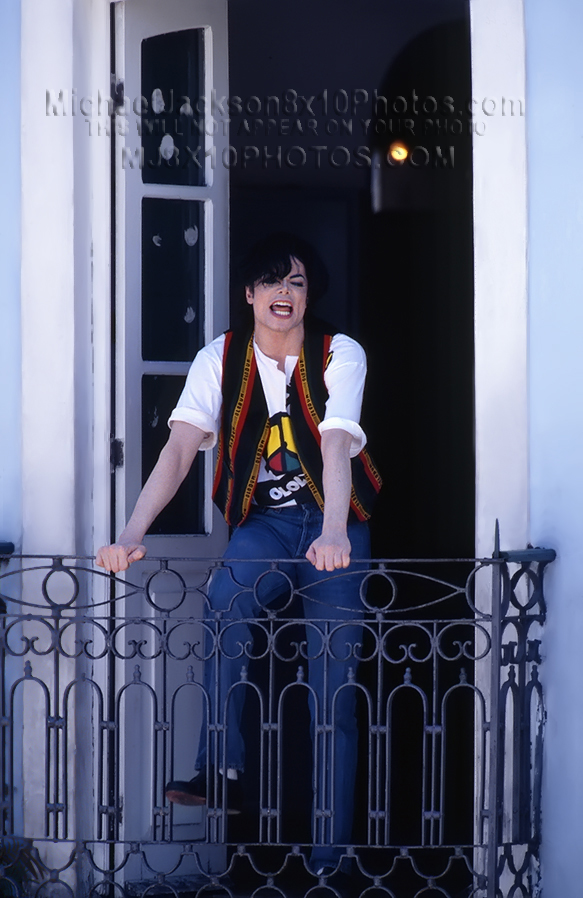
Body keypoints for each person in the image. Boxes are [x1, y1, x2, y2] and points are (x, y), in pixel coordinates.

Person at [96, 233, 381, 875]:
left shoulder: (340, 352)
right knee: (225, 598)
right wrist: (132, 533)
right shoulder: (219, 357)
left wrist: (334, 531)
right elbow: (177, 452)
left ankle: (329, 859)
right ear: (249, 294)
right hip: (268, 525)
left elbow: (337, 446)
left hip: (336, 525)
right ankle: (219, 765)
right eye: (273, 282)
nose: (285, 293)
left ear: (309, 297)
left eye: (298, 283)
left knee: (331, 691)